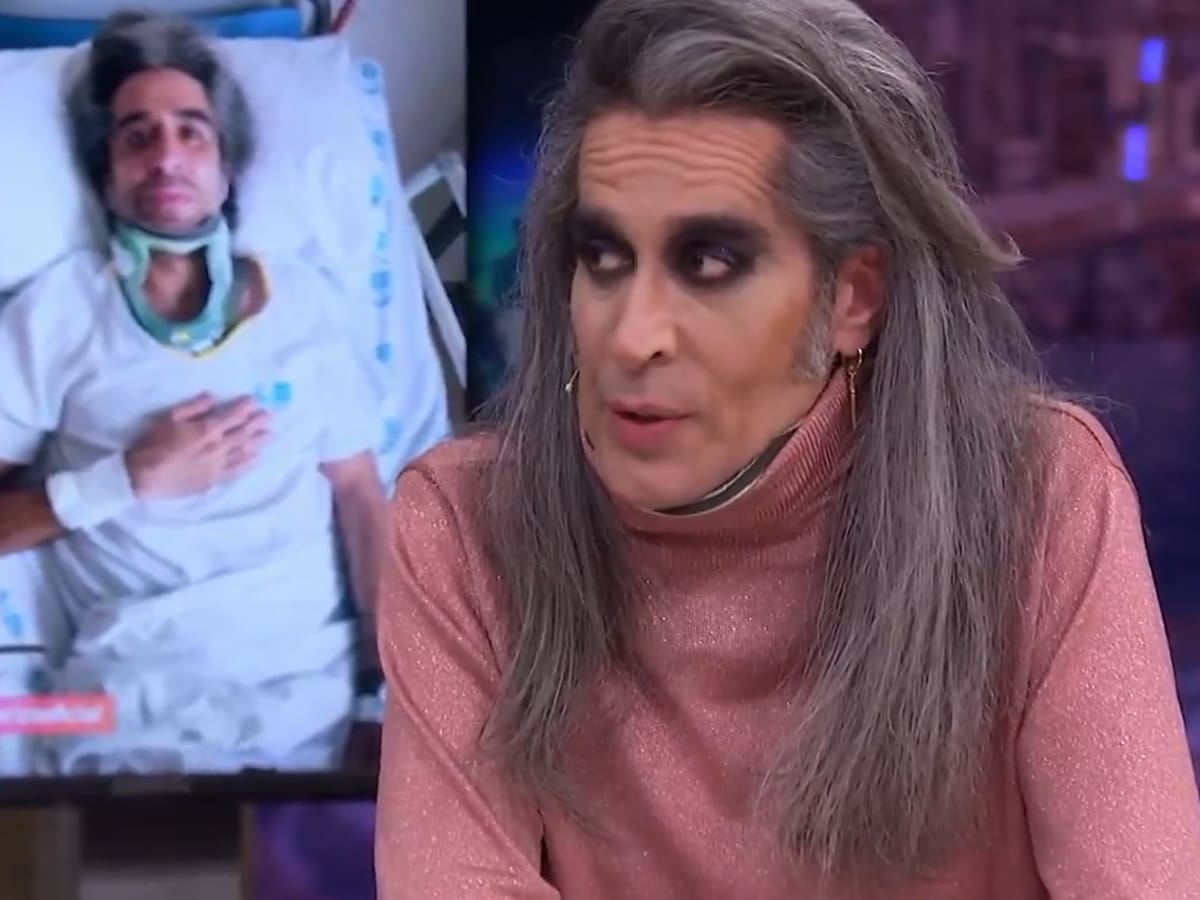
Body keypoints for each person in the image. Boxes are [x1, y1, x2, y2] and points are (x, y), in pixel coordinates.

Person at [375, 0, 1200, 897]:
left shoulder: (1042, 498)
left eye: (709, 263)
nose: (631, 336)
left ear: (854, 297)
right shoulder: (466, 526)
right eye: (604, 258)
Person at [0, 11, 387, 774]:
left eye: (192, 132)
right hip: (119, 704)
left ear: (227, 168)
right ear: (105, 174)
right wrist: (122, 481)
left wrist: (385, 695)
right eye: (136, 136)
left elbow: (361, 498)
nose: (167, 156)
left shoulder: (307, 302)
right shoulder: (54, 316)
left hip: (308, 699)